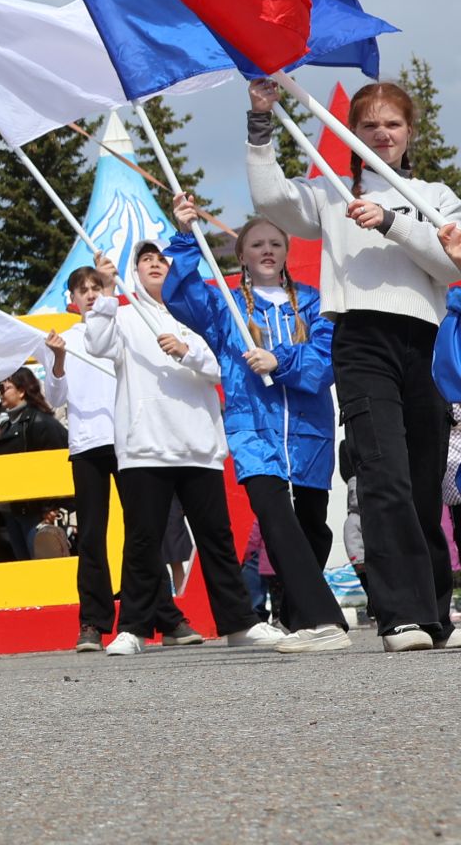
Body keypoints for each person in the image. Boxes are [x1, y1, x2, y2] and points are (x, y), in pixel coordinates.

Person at [249, 80, 461, 650]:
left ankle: (434, 608)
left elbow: (449, 264)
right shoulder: (331, 191)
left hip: (427, 340)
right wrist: (261, 122)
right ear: (352, 134)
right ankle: (400, 617)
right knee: (383, 475)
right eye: (369, 125)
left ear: (409, 132)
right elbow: (271, 201)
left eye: (392, 124)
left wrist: (391, 221)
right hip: (361, 339)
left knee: (422, 483)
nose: (382, 134)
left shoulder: (435, 194)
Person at [161, 197, 348, 653]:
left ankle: (295, 615)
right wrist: (185, 236)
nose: (267, 250)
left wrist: (277, 359)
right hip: (252, 429)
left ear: (285, 251)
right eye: (257, 244)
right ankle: (327, 621)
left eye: (275, 243)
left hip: (308, 433)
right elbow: (181, 297)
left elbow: (324, 364)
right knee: (275, 517)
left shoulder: (312, 302)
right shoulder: (224, 303)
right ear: (241, 253)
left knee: (311, 528)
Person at [79, 245, 279, 656]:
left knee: (216, 539)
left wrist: (187, 352)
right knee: (142, 541)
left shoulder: (193, 312)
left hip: (197, 445)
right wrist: (103, 294)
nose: (155, 264)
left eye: (161, 259)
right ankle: (133, 628)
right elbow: (97, 344)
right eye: (146, 260)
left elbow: (223, 366)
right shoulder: (122, 314)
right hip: (145, 447)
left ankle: (240, 623)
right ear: (134, 273)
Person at [45, 264, 185, 653]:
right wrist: (57, 360)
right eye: (82, 290)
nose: (90, 294)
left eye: (97, 287)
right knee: (91, 535)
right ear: (72, 301)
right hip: (87, 444)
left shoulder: (123, 329)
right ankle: (92, 622)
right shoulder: (65, 339)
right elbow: (55, 398)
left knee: (143, 531)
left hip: (129, 439)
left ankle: (165, 617)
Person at [0, 367, 69, 562]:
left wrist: (50, 507)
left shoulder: (41, 422)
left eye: (4, 388)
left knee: (45, 571)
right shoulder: (7, 425)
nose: (0, 393)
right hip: (12, 511)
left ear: (22, 390)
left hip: (37, 513)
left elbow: (55, 466)